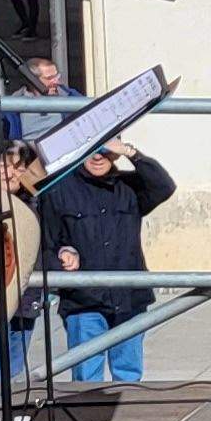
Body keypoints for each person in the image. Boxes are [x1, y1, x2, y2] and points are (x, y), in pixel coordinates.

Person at [32, 137, 175, 382]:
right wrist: (61, 257)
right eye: (92, 150)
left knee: (128, 375)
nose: (98, 157)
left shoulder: (129, 187)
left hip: (129, 299)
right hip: (84, 301)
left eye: (106, 151)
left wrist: (132, 153)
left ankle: (128, 420)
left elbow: (164, 186)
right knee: (87, 378)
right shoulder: (58, 191)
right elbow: (43, 247)